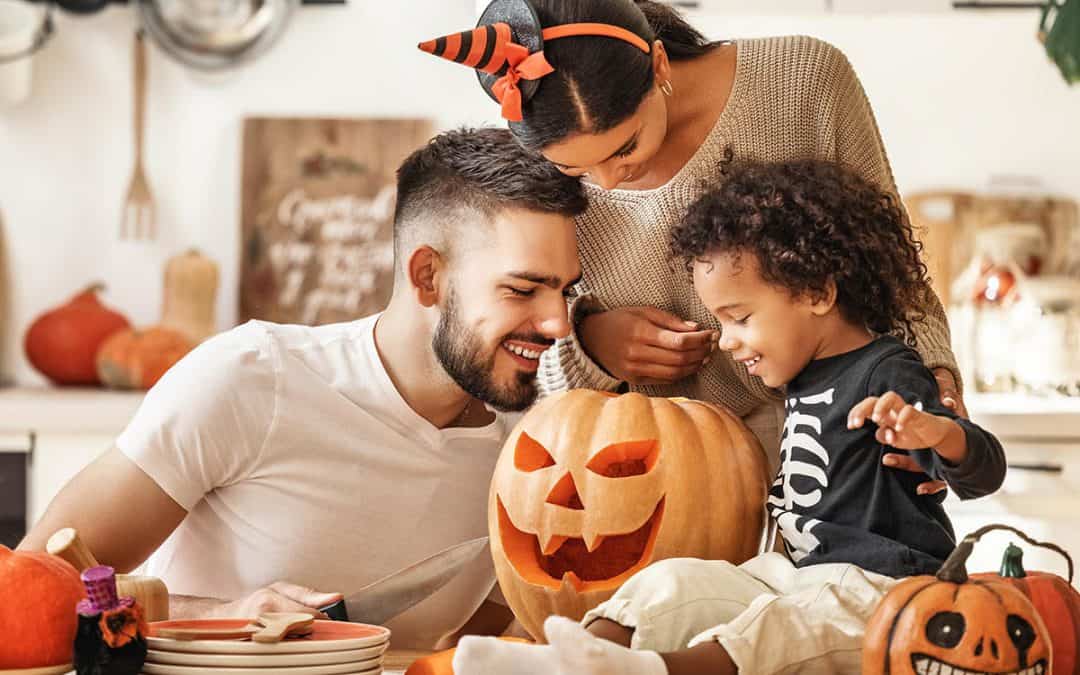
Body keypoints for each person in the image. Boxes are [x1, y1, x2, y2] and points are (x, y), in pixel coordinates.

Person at [18, 127, 588, 649]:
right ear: (427, 277)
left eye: (564, 291)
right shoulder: (250, 377)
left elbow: (456, 652)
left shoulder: (531, 459)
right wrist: (221, 614)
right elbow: (31, 585)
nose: (558, 323)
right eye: (522, 290)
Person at [450, 159, 1006, 675]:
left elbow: (984, 471)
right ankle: (574, 656)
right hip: (795, 577)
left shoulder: (888, 369)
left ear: (817, 293)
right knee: (676, 581)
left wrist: (937, 432)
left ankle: (646, 671)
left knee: (777, 627)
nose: (728, 340)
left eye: (739, 318)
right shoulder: (804, 375)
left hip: (886, 589)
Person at [419, 0, 964, 493]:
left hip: (830, 446)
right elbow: (518, 369)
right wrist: (591, 348)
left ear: (658, 67)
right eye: (574, 167)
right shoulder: (528, 170)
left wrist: (932, 386)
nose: (605, 183)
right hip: (634, 473)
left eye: (626, 146)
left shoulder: (803, 82)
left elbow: (889, 269)